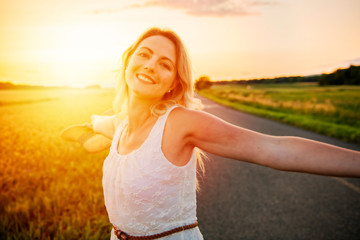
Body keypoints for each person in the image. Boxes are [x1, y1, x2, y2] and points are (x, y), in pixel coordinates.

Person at [61, 27, 360, 240]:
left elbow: (274, 149)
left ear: (172, 84)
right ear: (128, 61)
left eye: (165, 64)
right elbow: (95, 130)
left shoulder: (180, 123)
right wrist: (85, 128)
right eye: (144, 54)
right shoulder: (120, 125)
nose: (151, 65)